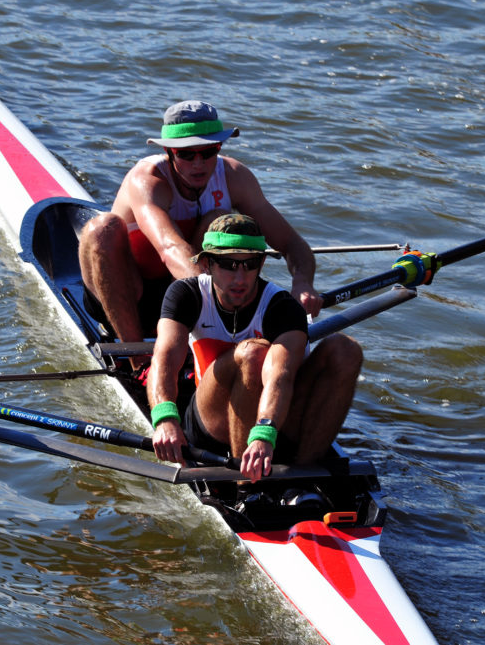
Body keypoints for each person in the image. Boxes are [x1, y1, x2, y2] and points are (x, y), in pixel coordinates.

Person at [78, 101, 321, 359]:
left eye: (207, 152)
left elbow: (293, 244)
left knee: (220, 219)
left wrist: (303, 283)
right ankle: (137, 360)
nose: (198, 163)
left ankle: (210, 333)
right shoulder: (148, 180)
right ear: (169, 152)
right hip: (127, 295)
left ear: (219, 148)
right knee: (102, 229)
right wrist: (218, 297)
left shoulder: (235, 177)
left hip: (181, 295)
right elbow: (169, 248)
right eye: (186, 154)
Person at [145, 214, 363, 483]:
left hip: (273, 423)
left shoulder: (283, 308)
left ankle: (304, 476)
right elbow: (164, 358)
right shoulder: (185, 295)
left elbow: (280, 377)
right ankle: (245, 484)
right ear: (207, 263)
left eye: (249, 265)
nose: (240, 277)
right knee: (253, 353)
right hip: (211, 421)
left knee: (345, 349)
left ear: (261, 263)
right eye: (228, 264)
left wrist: (264, 434)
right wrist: (164, 418)